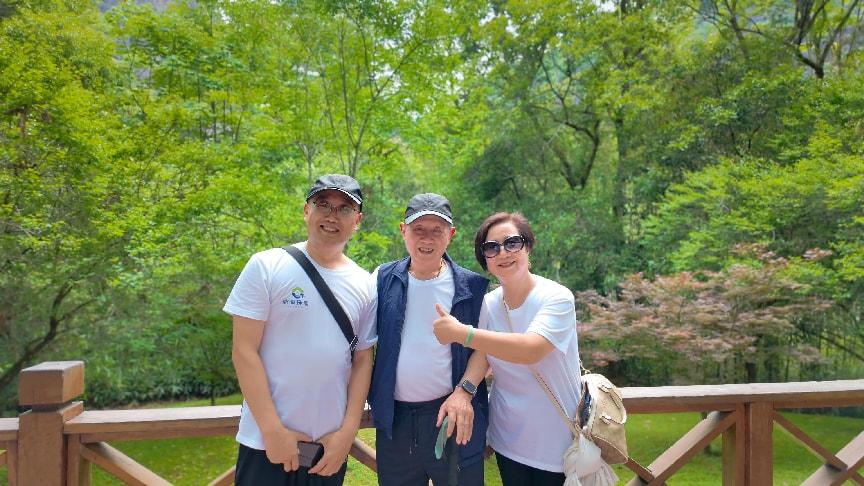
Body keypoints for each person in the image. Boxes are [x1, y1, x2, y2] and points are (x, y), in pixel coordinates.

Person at [224, 174, 376, 486]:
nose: (332, 215)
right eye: (323, 204)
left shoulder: (365, 284)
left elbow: (363, 360)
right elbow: (243, 351)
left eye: (344, 208)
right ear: (307, 211)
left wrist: (347, 433)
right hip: (265, 444)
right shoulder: (266, 266)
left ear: (357, 221)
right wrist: (272, 431)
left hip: (327, 449)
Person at [432, 212, 582, 486]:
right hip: (508, 439)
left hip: (556, 441)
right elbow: (483, 354)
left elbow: (530, 349)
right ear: (486, 261)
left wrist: (462, 333)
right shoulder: (489, 304)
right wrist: (463, 391)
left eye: (512, 243)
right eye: (492, 247)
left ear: (527, 247)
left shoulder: (556, 298)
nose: (503, 253)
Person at [368, 193, 490, 486]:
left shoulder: (472, 287)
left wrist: (464, 392)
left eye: (437, 230)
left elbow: (485, 348)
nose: (427, 238)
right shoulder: (381, 279)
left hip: (451, 414)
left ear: (451, 235)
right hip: (395, 420)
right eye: (418, 229)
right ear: (403, 231)